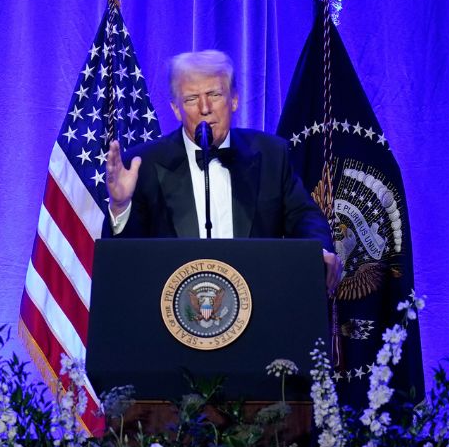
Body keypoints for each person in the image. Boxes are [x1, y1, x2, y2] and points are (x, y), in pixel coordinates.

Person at [103, 49, 342, 292]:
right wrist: (120, 207)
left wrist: (319, 250)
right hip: (172, 306)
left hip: (259, 299)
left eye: (214, 94)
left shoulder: (271, 154)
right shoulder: (143, 164)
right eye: (191, 99)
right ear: (176, 109)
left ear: (234, 100)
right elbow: (126, 261)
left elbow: (304, 216)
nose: (205, 108)